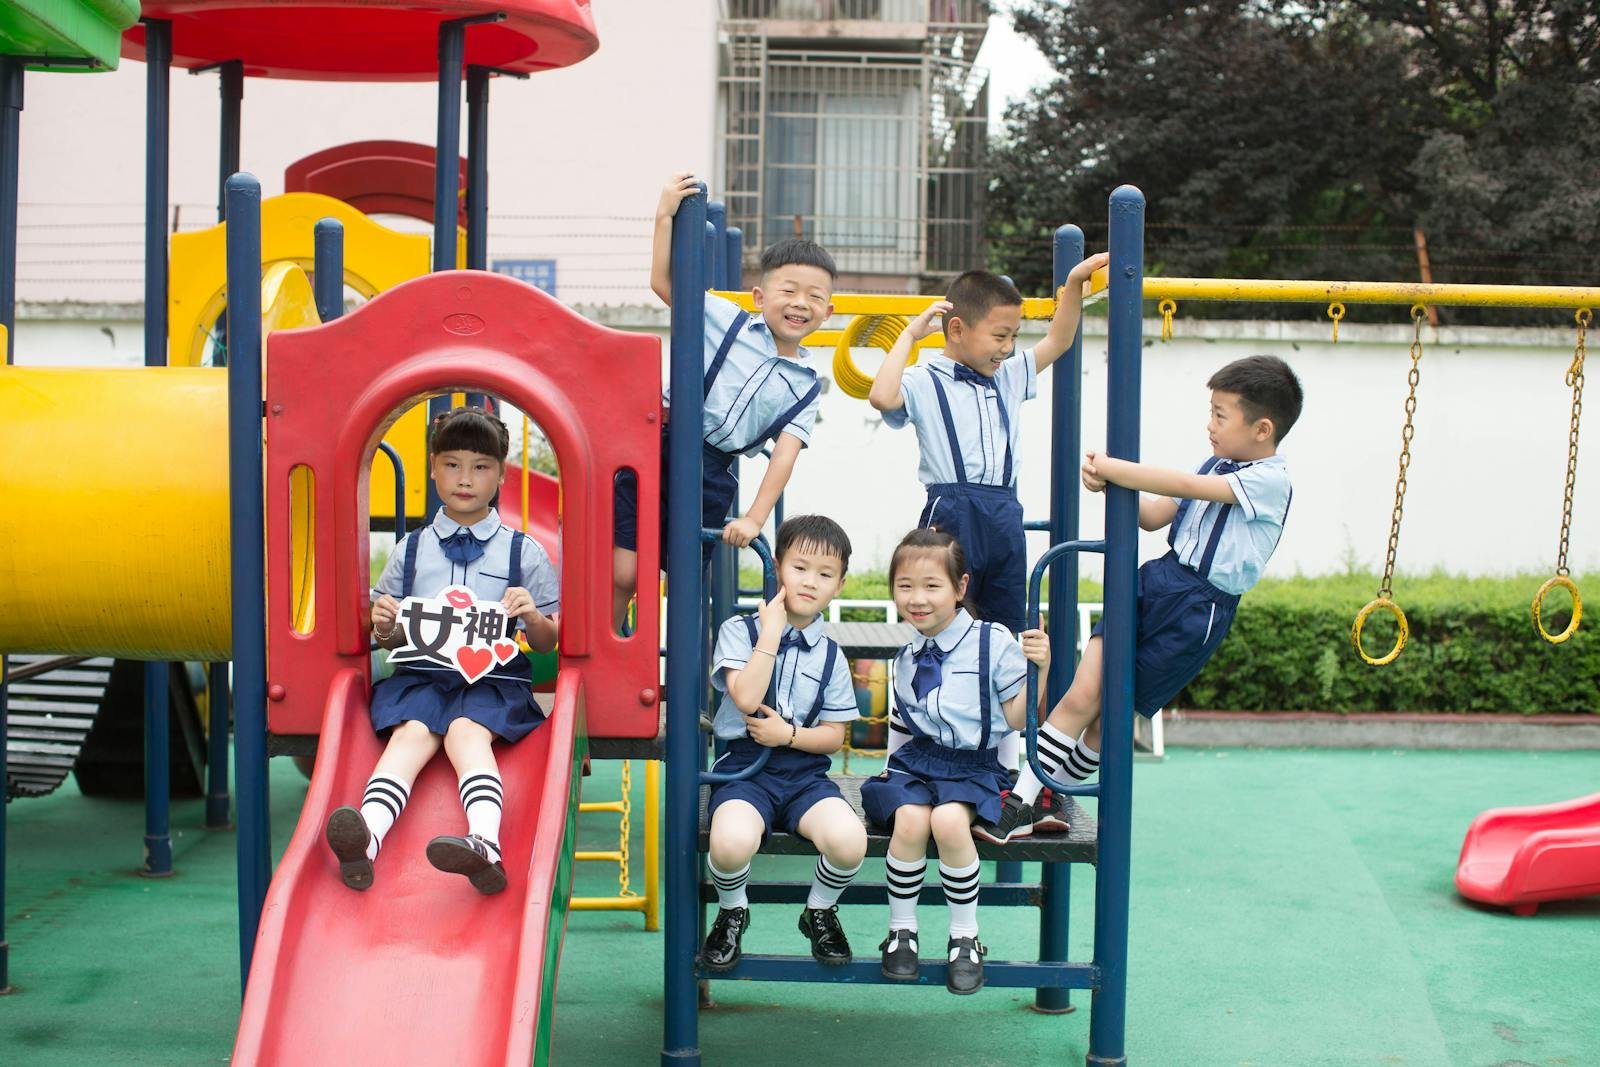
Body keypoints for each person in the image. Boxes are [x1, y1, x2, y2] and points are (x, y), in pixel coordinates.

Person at [984, 354, 1303, 843]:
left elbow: (1186, 486)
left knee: (1110, 718)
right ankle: (1022, 801)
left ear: (1262, 429)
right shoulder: (1217, 463)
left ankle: (1053, 797)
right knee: (1083, 692)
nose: (1210, 425)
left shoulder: (1269, 480)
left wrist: (1121, 469)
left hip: (1200, 609)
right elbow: (1153, 516)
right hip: (1158, 579)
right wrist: (1109, 483)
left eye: (1221, 415)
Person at [324, 406, 561, 894]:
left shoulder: (524, 552)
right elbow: (389, 635)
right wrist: (385, 624)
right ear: (433, 469)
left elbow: (547, 641)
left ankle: (485, 845)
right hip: (425, 676)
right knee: (410, 733)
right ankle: (366, 840)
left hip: (492, 681)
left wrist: (532, 616)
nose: (465, 479)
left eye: (480, 466)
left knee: (465, 732)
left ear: (500, 474)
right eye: (452, 465)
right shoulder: (412, 550)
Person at [612, 172, 838, 628]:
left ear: (828, 311)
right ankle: (607, 650)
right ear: (760, 296)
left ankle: (679, 679)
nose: (799, 304)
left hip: (713, 471)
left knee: (686, 583)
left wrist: (755, 518)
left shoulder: (806, 384)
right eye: (788, 291)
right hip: (660, 442)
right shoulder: (723, 317)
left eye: (814, 297)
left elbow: (784, 457)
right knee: (625, 572)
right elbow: (663, 281)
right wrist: (663, 215)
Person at [867, 258, 1107, 635]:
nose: (1008, 348)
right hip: (952, 509)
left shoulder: (1007, 378)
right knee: (941, 614)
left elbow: (1058, 340)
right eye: (1000, 336)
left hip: (1004, 512)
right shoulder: (924, 380)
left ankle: (996, 691)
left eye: (1013, 337)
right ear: (958, 329)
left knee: (1005, 624)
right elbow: (881, 396)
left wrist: (1075, 282)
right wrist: (910, 335)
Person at [858, 529, 1050, 994]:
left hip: (975, 765)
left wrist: (1039, 670)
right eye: (905, 586)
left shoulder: (992, 642)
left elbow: (1017, 717)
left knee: (947, 823)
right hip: (921, 763)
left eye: (931, 585)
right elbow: (906, 730)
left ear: (960, 587)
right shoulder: (906, 656)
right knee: (907, 821)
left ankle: (965, 936)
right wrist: (890, 769)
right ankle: (901, 930)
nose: (917, 599)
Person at [700, 515, 866, 971]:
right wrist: (771, 631)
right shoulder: (741, 630)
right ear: (776, 567)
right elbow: (747, 697)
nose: (811, 582)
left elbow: (833, 736)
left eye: (825, 574)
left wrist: (788, 734)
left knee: (850, 841)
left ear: (840, 584)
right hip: (744, 771)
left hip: (803, 776)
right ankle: (733, 909)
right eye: (800, 567)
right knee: (730, 843)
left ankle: (819, 910)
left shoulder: (831, 654)